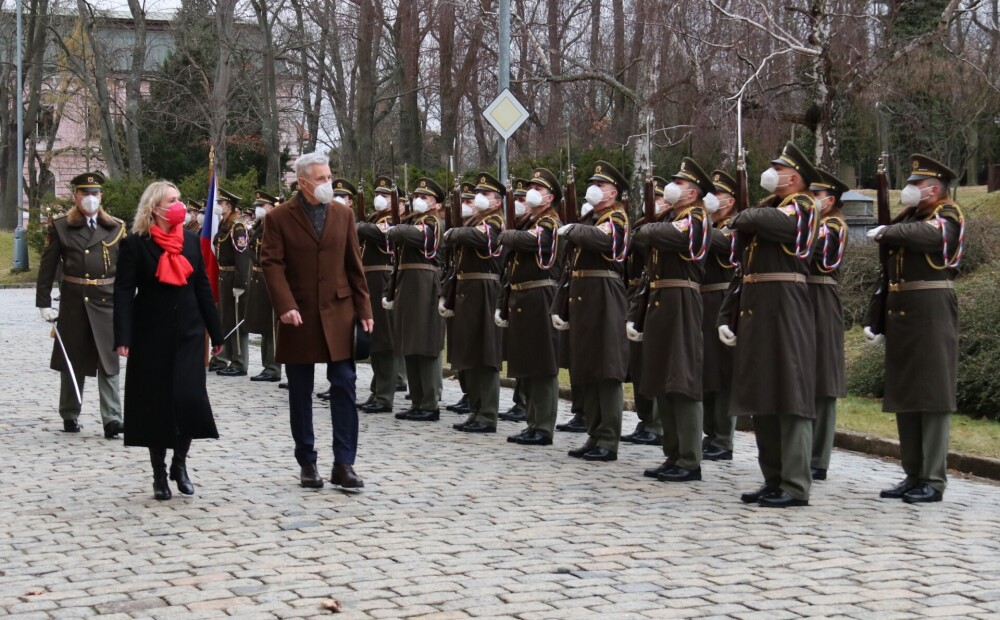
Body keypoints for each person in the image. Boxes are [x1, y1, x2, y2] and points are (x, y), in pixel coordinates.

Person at [262, 152, 373, 490]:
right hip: (299, 314)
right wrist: (285, 305)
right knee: (300, 391)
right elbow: (271, 263)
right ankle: (307, 462)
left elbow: (354, 264)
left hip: (339, 313)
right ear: (303, 181)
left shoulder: (343, 214)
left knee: (344, 383)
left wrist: (365, 309)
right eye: (322, 178)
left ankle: (344, 462)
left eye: (330, 176)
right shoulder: (279, 217)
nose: (329, 183)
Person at [718, 142, 820, 508]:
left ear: (795, 177)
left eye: (779, 168)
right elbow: (741, 265)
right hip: (757, 303)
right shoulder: (767, 207)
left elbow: (780, 227)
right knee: (762, 392)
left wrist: (744, 216)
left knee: (788, 392)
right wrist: (728, 314)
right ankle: (772, 477)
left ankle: (794, 483)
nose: (772, 172)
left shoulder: (804, 204)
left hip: (785, 303)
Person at [113, 180, 224, 500]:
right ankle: (159, 473)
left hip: (189, 334)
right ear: (155, 207)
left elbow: (203, 289)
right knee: (157, 405)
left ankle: (180, 464)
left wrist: (216, 333)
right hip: (151, 335)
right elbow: (123, 292)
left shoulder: (190, 242)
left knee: (189, 400)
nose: (179, 205)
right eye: (172, 200)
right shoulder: (136, 244)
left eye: (179, 199)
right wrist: (123, 335)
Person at [865, 155, 963, 504]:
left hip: (931, 312)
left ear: (934, 189)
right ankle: (912, 474)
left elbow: (928, 238)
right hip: (904, 314)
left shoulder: (947, 215)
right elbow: (887, 276)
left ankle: (932, 479)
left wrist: (889, 230)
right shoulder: (912, 217)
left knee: (932, 396)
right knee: (906, 395)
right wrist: (875, 319)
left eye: (916, 185)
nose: (909, 189)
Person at [630, 158, 712, 482]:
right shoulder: (670, 216)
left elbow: (666, 236)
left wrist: (650, 229)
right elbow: (639, 237)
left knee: (682, 379)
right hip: (660, 300)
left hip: (681, 299)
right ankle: (673, 454)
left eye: (680, 183)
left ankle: (690, 459)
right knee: (662, 378)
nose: (672, 187)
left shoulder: (696, 217)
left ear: (693, 192)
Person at [36, 172, 126, 438]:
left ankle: (112, 419)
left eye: (95, 194)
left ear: (101, 196)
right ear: (75, 196)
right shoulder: (62, 226)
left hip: (106, 302)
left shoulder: (116, 227)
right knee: (72, 360)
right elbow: (47, 266)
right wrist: (44, 303)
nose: (90, 198)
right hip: (75, 302)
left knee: (108, 361)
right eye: (85, 194)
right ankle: (70, 412)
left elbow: (124, 270)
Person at [555, 160, 630, 462]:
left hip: (605, 296)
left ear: (613, 193)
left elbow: (607, 242)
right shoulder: (593, 218)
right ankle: (595, 433)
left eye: (600, 186)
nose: (594, 189)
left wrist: (575, 229)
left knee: (606, 370)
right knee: (588, 369)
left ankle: (608, 439)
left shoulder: (617, 218)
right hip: (585, 297)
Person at [498, 168, 563, 445]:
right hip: (523, 297)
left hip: (540, 295)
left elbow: (531, 241)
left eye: (538, 188)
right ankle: (533, 421)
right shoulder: (530, 220)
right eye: (530, 187)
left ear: (549, 198)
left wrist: (508, 235)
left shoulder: (549, 221)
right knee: (528, 362)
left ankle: (544, 427)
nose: (531, 192)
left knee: (542, 363)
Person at [445, 172, 506, 433]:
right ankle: (475, 409)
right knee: (469, 352)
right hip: (467, 288)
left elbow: (479, 238)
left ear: (498, 202)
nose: (479, 198)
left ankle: (488, 413)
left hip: (484, 288)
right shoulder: (476, 221)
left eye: (486, 194)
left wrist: (456, 232)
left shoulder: (494, 221)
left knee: (485, 353)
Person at [387, 178, 446, 422]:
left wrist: (396, 227)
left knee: (425, 343)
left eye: (425, 197)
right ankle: (418, 400)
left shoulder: (434, 222)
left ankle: (430, 403)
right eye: (417, 196)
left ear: (436, 204)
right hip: (408, 284)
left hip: (425, 284)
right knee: (409, 343)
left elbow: (413, 236)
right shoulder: (415, 221)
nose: (419, 201)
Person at [807, 170, 849, 481]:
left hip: (820, 295)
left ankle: (818, 458)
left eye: (816, 195)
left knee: (821, 378)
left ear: (830, 200)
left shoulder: (831, 225)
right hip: (801, 294)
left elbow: (817, 255)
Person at [622, 176, 667, 447]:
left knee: (655, 361)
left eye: (661, 199)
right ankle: (645, 418)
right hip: (636, 293)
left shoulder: (663, 228)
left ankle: (657, 423)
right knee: (638, 363)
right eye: (655, 199)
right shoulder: (640, 227)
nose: (658, 203)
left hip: (655, 293)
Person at [701, 170, 738, 461]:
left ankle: (723, 437)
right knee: (706, 369)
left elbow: (724, 246)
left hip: (722, 297)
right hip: (703, 299)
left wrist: (697, 222)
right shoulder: (711, 224)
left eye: (717, 194)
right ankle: (710, 432)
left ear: (730, 200)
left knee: (723, 371)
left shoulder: (733, 225)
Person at [355, 176, 399, 413]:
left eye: (385, 194)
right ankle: (377, 390)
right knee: (374, 339)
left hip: (381, 278)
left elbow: (374, 234)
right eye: (377, 193)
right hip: (368, 279)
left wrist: (360, 225)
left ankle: (385, 394)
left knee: (384, 339)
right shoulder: (375, 219)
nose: (379, 198)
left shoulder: (392, 221)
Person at [498, 178, 531, 424]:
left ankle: (527, 404)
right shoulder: (520, 225)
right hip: (515, 289)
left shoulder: (535, 225)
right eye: (516, 200)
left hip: (533, 294)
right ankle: (521, 401)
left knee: (532, 355)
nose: (520, 204)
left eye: (523, 199)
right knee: (520, 352)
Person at [211, 188, 251, 377]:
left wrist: (240, 283)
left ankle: (240, 361)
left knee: (236, 319)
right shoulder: (224, 224)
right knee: (225, 318)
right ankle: (226, 357)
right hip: (223, 276)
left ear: (229, 206)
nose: (218, 206)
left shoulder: (237, 227)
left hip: (233, 277)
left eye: (221, 203)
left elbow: (242, 258)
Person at [246, 191, 282, 383]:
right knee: (263, 324)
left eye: (262, 205)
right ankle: (266, 365)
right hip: (258, 277)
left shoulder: (274, 225)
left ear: (271, 207)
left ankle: (273, 366)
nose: (258, 208)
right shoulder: (260, 225)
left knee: (271, 325)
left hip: (269, 277)